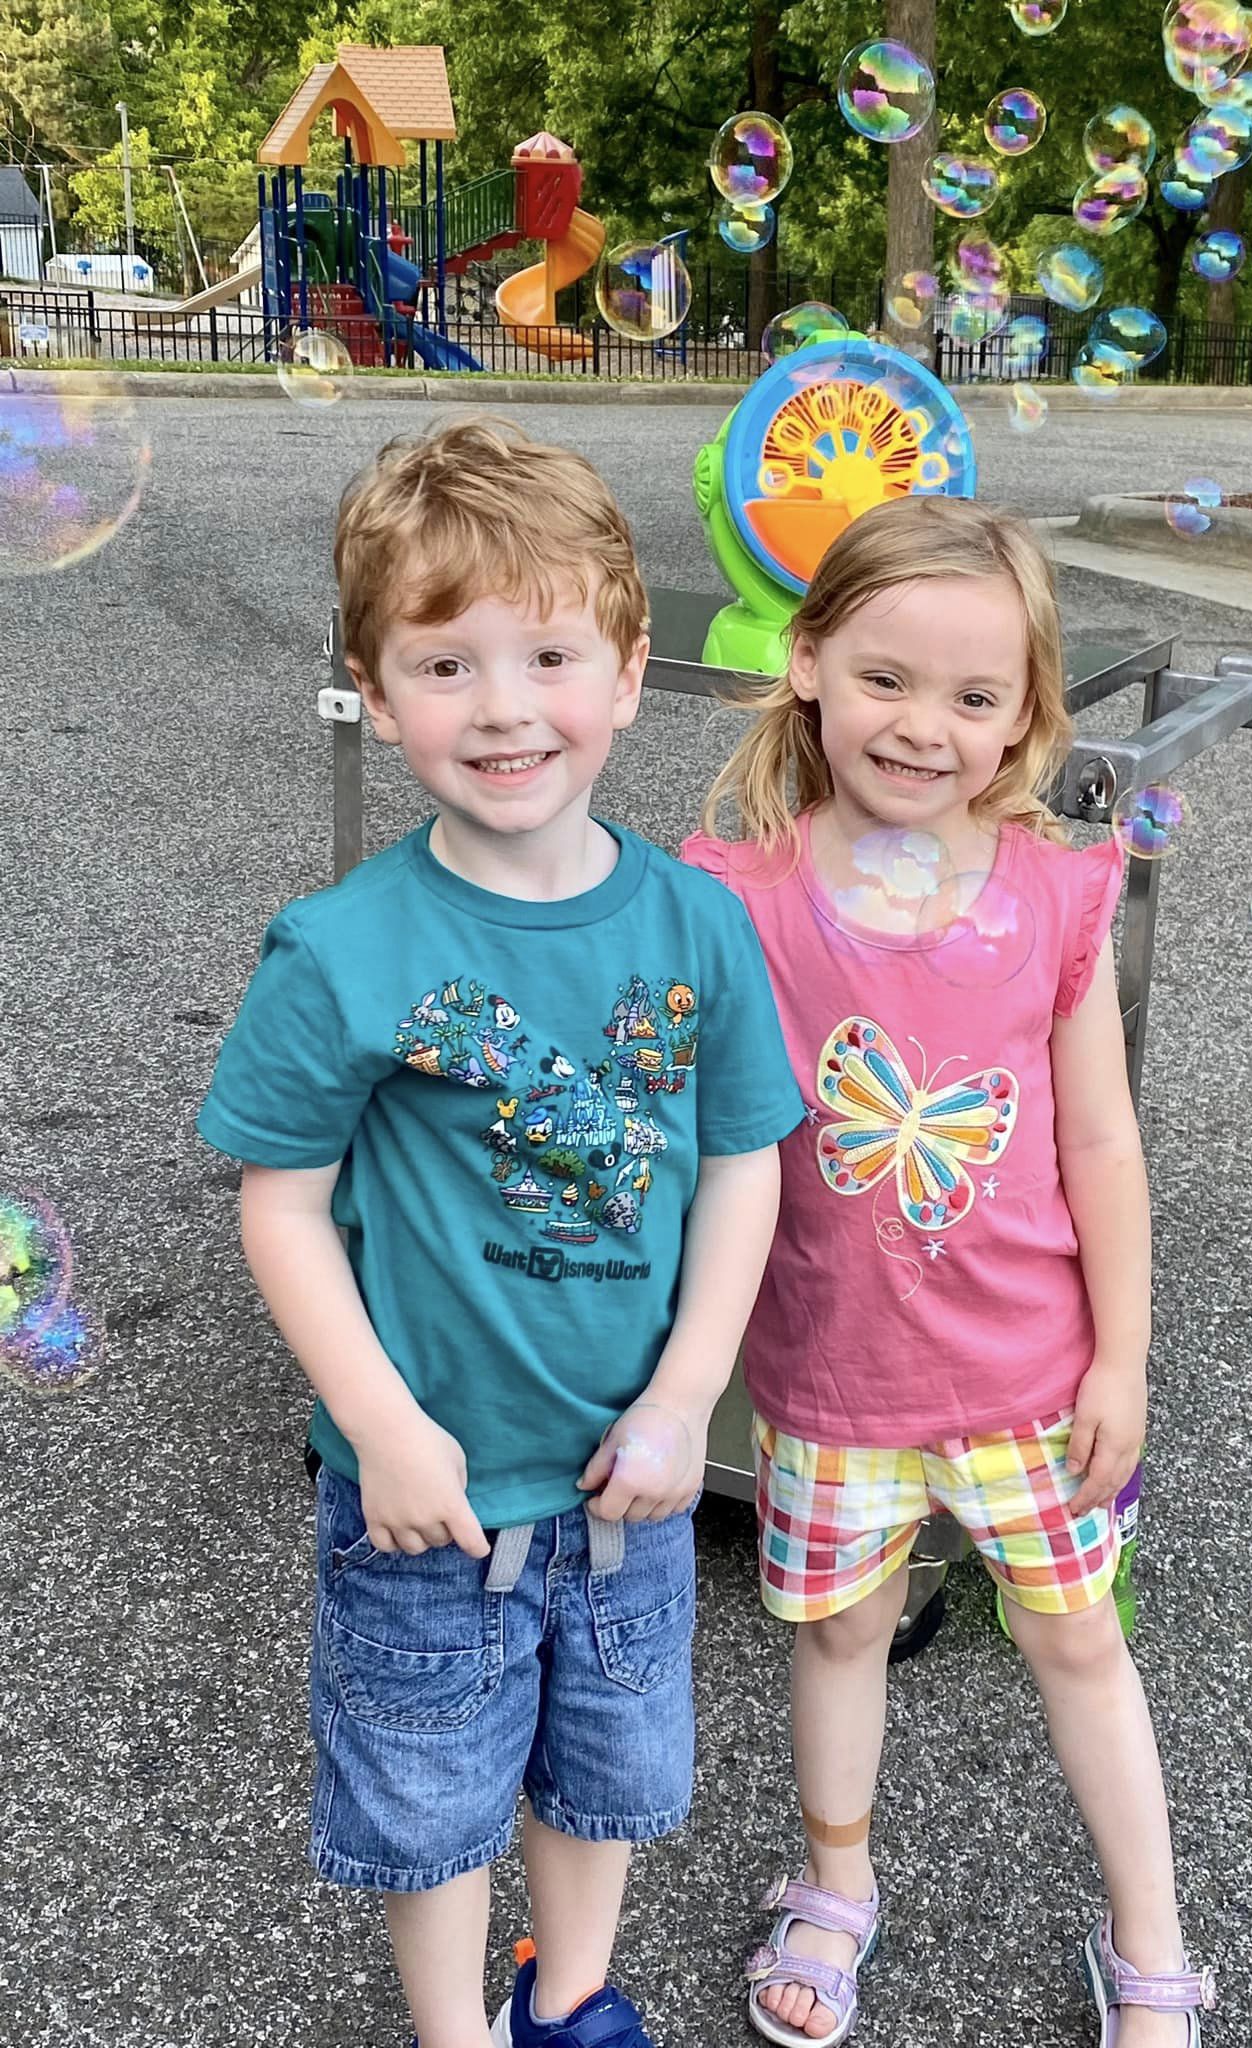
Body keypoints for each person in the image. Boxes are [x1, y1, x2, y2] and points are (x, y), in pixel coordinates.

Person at [198, 418, 803, 2048]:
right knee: (432, 1794)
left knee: (607, 1772)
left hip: (631, 1479)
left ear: (629, 672)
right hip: (430, 1500)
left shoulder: (699, 922)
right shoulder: (342, 949)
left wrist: (689, 1395)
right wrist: (380, 1425)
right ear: (375, 690)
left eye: (548, 654)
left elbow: (742, 1162)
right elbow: (282, 1204)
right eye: (445, 664)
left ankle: (572, 2000)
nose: (504, 707)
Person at [682, 494, 1216, 2048]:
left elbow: (1101, 1141)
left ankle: (1152, 1940)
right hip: (829, 1379)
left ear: (1025, 719)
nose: (925, 725)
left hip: (1032, 1379)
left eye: (976, 696)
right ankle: (834, 1884)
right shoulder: (732, 893)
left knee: (1078, 1641)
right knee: (843, 1633)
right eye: (886, 678)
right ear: (806, 664)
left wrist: (1123, 1358)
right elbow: (690, 1132)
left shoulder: (1055, 889)